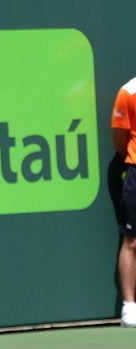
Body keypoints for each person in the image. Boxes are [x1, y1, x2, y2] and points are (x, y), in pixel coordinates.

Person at [112, 76, 136, 328]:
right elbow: (119, 141)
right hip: (135, 171)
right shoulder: (129, 92)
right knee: (131, 240)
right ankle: (129, 306)